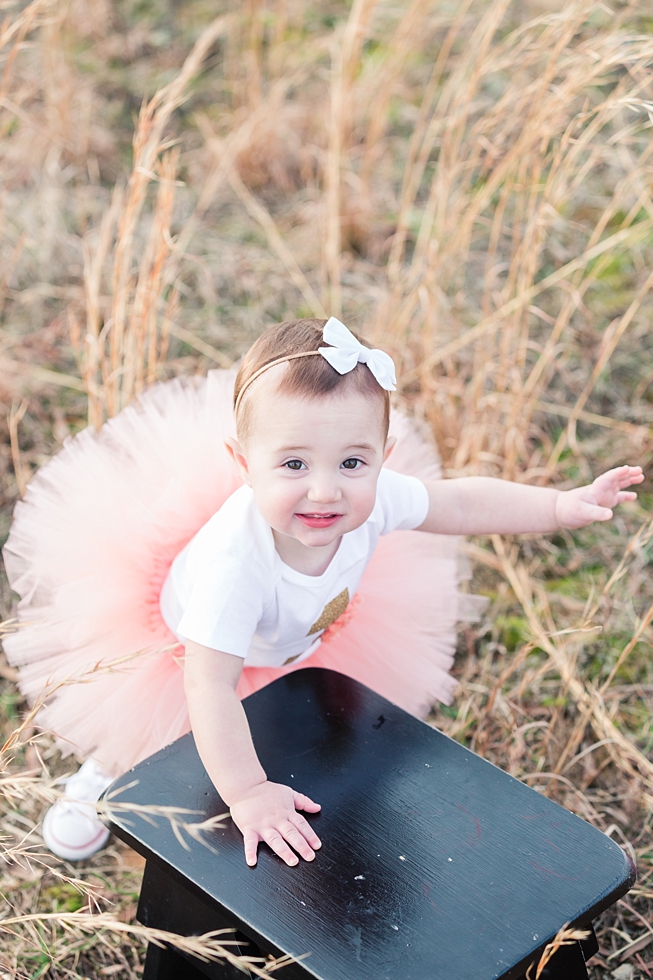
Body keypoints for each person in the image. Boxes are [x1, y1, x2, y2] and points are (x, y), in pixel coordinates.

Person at [2, 317, 643, 865]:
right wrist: (249, 792)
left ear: (381, 457)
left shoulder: (373, 498)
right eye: (293, 463)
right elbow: (209, 686)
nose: (325, 490)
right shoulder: (234, 568)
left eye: (352, 462)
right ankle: (105, 771)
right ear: (243, 462)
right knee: (161, 725)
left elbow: (462, 501)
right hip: (191, 652)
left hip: (294, 635)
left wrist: (558, 506)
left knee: (314, 724)